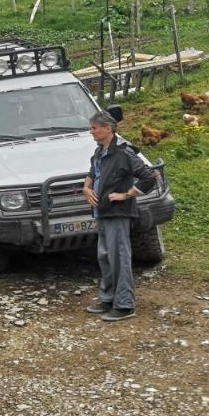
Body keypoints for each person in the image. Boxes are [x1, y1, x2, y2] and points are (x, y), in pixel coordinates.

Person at [83, 111, 157, 322]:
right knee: (105, 257)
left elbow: (149, 177)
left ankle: (125, 305)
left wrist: (126, 195)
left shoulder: (124, 154)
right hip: (102, 212)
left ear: (108, 129)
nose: (92, 131)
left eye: (94, 128)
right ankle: (108, 299)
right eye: (91, 127)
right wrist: (86, 189)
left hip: (118, 212)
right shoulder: (99, 153)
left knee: (119, 258)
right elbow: (92, 174)